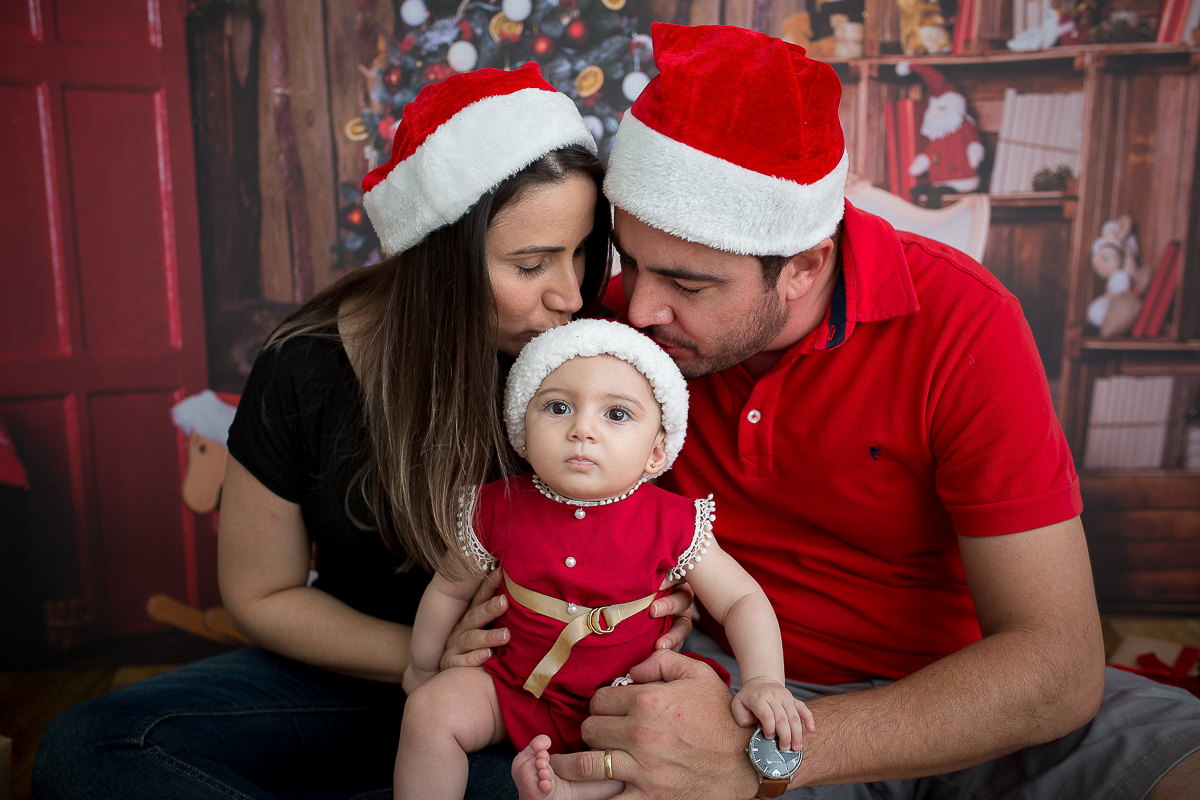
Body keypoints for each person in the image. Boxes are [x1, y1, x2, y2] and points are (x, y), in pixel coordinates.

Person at [530, 23, 1200, 800]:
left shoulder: (964, 321)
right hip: (740, 688)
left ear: (806, 265)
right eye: (632, 261)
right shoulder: (610, 339)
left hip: (963, 701)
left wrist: (760, 757)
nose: (639, 309)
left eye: (689, 282)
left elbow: (1057, 664)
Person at [32, 64, 695, 800]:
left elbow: (662, 523)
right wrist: (425, 656)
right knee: (89, 748)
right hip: (355, 671)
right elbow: (260, 592)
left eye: (580, 252)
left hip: (529, 697)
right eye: (531, 263)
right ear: (437, 258)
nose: (570, 293)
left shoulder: (587, 355)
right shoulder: (308, 365)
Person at [394, 318, 814, 800]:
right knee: (428, 712)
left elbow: (740, 599)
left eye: (616, 415)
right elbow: (448, 588)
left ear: (657, 452)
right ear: (521, 434)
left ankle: (574, 792)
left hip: (624, 698)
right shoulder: (495, 506)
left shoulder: (672, 522)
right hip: (513, 684)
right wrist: (424, 669)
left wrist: (764, 680)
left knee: (660, 754)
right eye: (557, 407)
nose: (582, 430)